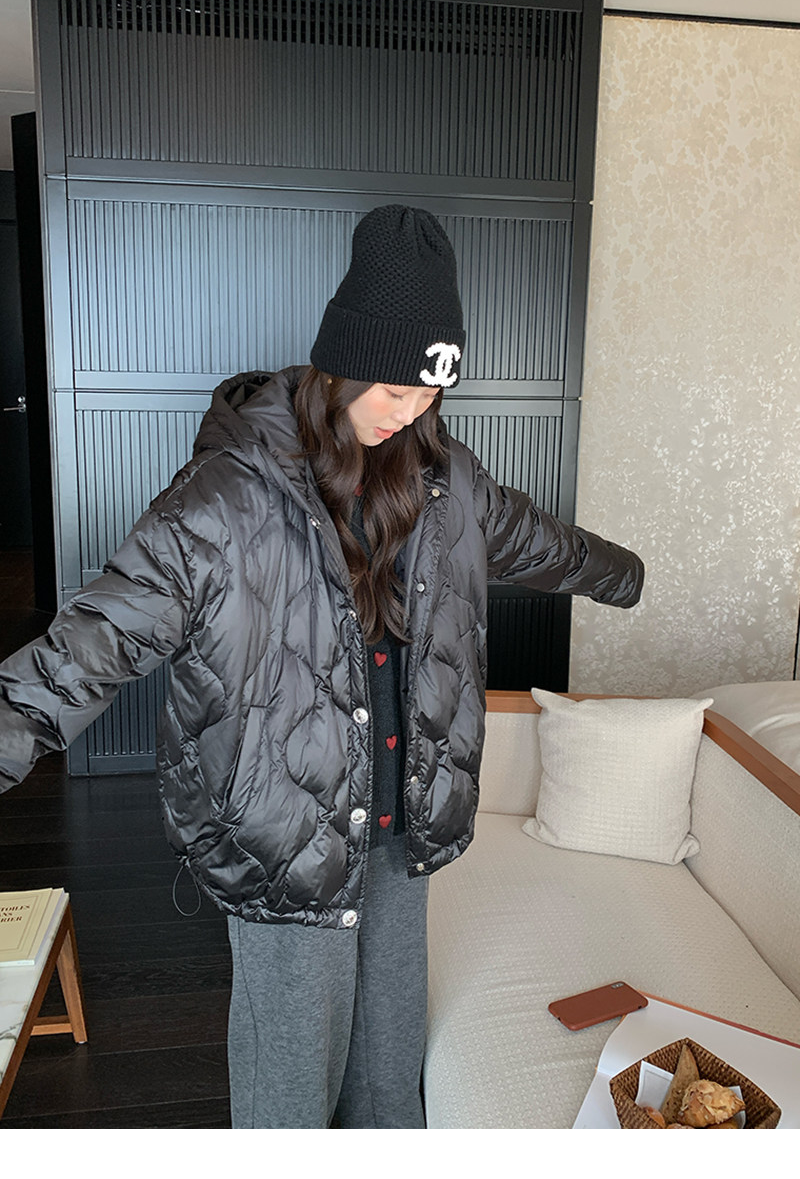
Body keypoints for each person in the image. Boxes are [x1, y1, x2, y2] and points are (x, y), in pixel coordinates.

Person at [0, 204, 644, 1129]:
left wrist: (629, 576)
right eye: (395, 389)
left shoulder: (445, 478)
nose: (410, 413)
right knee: (291, 1084)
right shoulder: (225, 500)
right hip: (286, 829)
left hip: (403, 816)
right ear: (343, 359)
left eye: (431, 394)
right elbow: (87, 649)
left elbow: (542, 543)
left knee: (388, 1068)